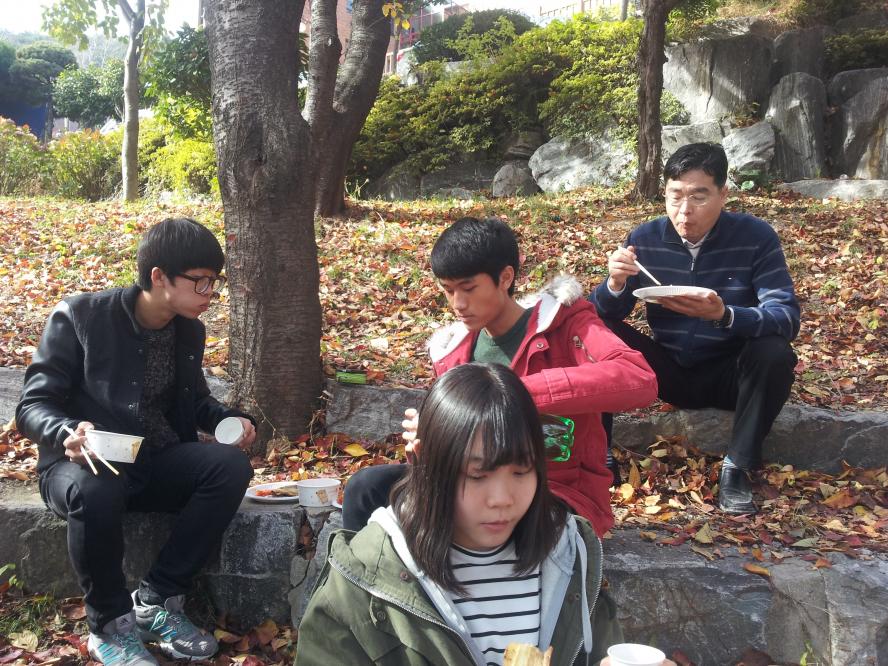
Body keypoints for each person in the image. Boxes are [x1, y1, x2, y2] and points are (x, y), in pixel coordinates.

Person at [297, 363, 675, 666]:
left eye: (521, 471)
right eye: (477, 476)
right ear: (428, 463)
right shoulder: (366, 575)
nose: (502, 499)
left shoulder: (568, 559)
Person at [16, 218, 257, 666]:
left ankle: (157, 599)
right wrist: (67, 432)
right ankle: (109, 626)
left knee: (229, 467)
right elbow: (32, 405)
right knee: (97, 485)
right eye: (200, 282)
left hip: (152, 460)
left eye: (214, 282)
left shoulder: (188, 329)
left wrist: (228, 419)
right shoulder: (81, 316)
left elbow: (194, 400)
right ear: (159, 276)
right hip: (80, 465)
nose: (210, 293)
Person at [342, 217, 657, 536]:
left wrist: (508, 394)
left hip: (553, 490)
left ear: (505, 277)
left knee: (485, 525)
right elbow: (450, 456)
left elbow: (638, 377)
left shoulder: (566, 324)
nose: (457, 304)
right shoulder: (453, 352)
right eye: (448, 290)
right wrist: (428, 439)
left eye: (468, 289)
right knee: (366, 488)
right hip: (469, 486)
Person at [590, 142, 799, 515]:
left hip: (731, 375)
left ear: (723, 194)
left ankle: (737, 467)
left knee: (774, 352)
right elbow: (606, 313)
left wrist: (726, 315)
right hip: (668, 371)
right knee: (596, 330)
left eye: (699, 197)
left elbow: (785, 316)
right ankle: (599, 456)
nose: (684, 211)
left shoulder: (755, 237)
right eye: (675, 197)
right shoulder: (645, 239)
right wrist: (615, 283)